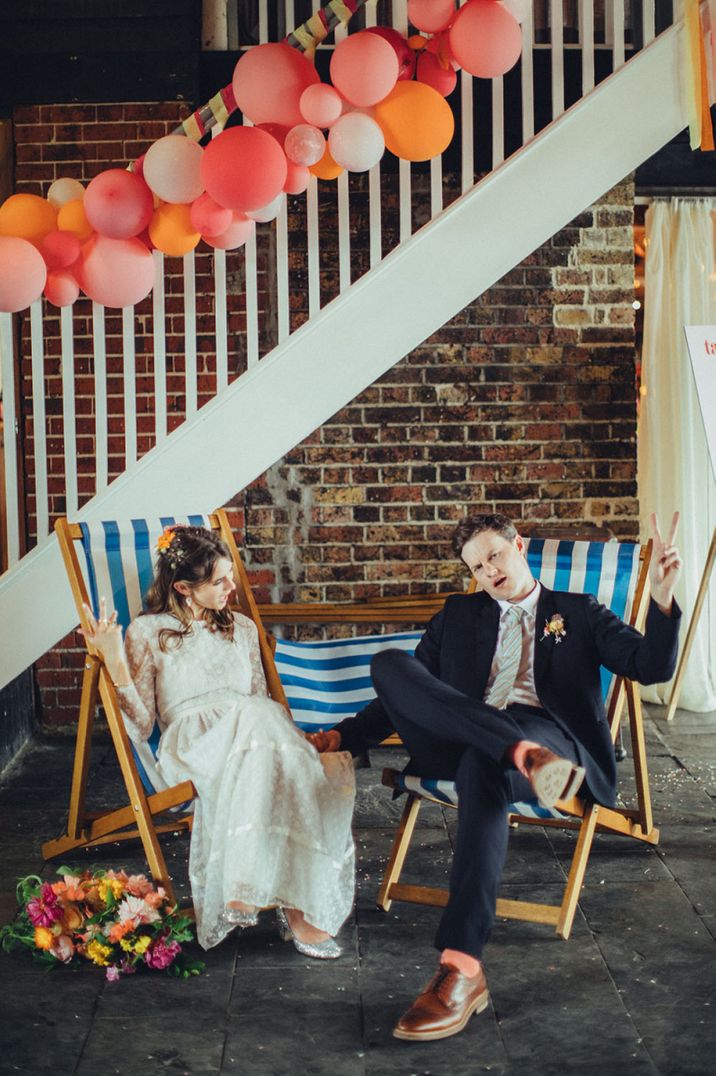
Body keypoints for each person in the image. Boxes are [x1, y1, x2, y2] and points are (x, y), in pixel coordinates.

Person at [309, 510, 682, 1038]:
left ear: (519, 545)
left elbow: (651, 666)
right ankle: (516, 751)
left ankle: (461, 967)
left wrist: (663, 599)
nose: (490, 571)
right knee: (391, 663)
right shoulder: (458, 615)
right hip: (463, 733)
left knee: (481, 763)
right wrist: (342, 737)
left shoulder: (577, 611)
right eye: (478, 566)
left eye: (495, 556)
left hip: (547, 739)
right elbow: (403, 699)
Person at [84, 524, 355, 957]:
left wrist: (293, 740)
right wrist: (114, 658)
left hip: (252, 742)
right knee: (262, 724)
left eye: (230, 575)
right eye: (219, 581)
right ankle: (289, 904)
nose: (234, 586)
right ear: (184, 588)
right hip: (193, 748)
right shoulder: (146, 632)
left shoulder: (243, 628)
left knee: (269, 728)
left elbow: (262, 704)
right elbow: (137, 728)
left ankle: (273, 891)